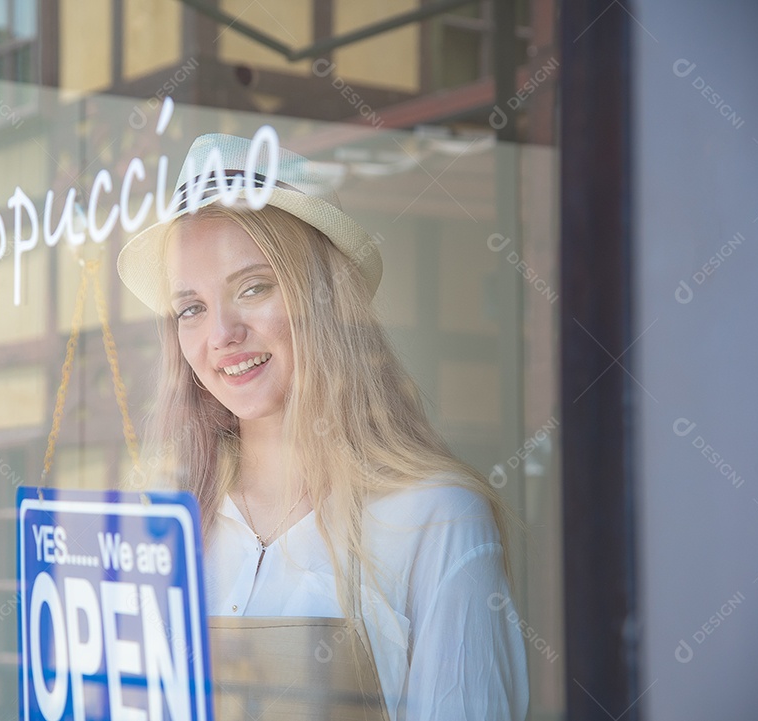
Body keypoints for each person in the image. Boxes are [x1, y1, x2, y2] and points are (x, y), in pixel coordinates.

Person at [117, 133, 529, 720]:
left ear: (325, 301)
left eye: (254, 287)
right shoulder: (166, 523)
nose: (221, 334)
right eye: (192, 308)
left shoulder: (437, 517)